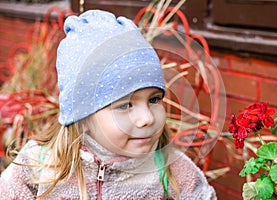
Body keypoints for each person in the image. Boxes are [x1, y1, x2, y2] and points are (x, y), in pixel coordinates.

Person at [0, 10, 217, 200]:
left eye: (154, 99)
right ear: (82, 116)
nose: (147, 118)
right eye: (124, 106)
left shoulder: (171, 168)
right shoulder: (39, 164)